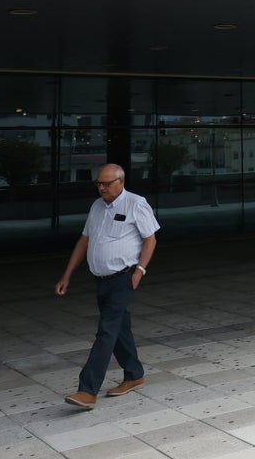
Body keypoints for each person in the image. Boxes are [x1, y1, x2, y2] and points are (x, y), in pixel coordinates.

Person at [55, 163, 159, 410]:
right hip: (101, 280)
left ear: (120, 182)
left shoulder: (136, 203)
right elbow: (85, 240)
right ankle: (134, 375)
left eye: (106, 183)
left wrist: (139, 273)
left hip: (124, 278)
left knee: (106, 331)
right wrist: (67, 275)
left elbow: (151, 239)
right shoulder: (97, 206)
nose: (101, 188)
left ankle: (87, 390)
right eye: (98, 183)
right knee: (119, 328)